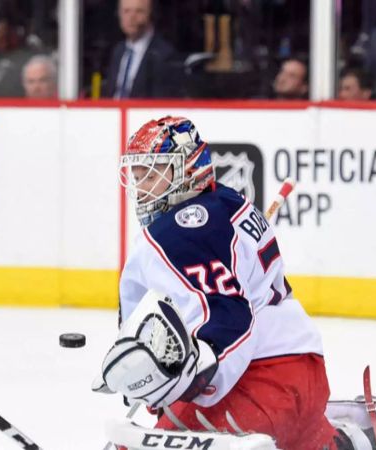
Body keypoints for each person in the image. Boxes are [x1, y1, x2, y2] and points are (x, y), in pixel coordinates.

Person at [95, 116, 338, 449]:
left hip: (262, 382)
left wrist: (190, 376)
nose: (142, 189)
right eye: (137, 176)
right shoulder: (225, 201)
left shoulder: (182, 228)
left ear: (189, 168)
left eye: (151, 175)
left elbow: (229, 320)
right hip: (303, 376)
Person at [101, 0, 184, 99]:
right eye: (126, 11)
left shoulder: (164, 55)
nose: (132, 17)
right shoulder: (118, 50)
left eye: (139, 11)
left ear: (150, 14)